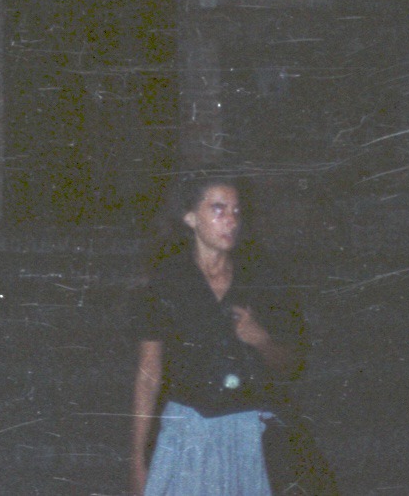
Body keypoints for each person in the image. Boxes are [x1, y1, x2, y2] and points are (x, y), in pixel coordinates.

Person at [129, 177, 305, 496]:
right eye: (218, 209)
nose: (231, 220)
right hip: (187, 436)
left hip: (248, 437)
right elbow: (148, 373)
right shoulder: (165, 284)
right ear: (190, 218)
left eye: (236, 210)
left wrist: (261, 340)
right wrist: (137, 458)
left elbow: (293, 364)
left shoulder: (261, 279)